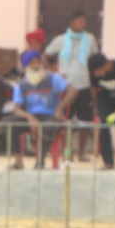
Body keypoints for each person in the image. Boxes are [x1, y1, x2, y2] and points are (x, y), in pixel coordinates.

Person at [7, 49, 77, 170]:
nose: (36, 65)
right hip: (33, 117)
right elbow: (16, 109)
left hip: (52, 116)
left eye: (37, 61)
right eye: (31, 63)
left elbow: (73, 91)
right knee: (10, 123)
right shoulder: (21, 85)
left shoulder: (53, 77)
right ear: (25, 67)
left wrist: (59, 109)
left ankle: (40, 161)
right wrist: (29, 117)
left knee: (48, 126)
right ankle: (18, 162)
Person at [44, 10, 99, 160]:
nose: (83, 24)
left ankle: (81, 153)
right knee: (64, 121)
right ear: (72, 23)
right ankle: (67, 153)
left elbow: (95, 58)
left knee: (85, 121)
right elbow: (44, 56)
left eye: (84, 21)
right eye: (80, 21)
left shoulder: (90, 39)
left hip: (85, 85)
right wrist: (54, 74)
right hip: (66, 87)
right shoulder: (61, 40)